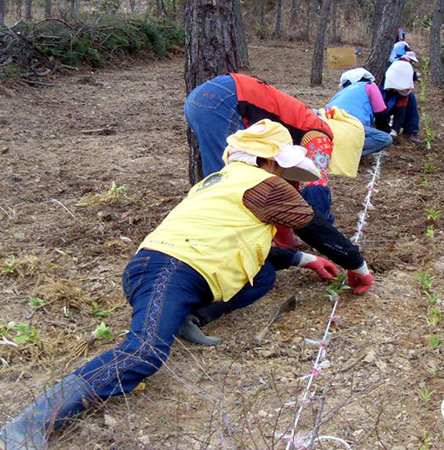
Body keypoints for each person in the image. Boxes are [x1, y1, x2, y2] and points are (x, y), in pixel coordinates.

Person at [0, 120, 373, 450]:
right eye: (289, 173)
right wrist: (357, 266)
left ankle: (186, 316)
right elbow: (317, 228)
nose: (294, 184)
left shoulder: (221, 181)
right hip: (172, 269)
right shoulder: (265, 185)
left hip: (170, 267)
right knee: (143, 353)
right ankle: (29, 428)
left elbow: (244, 246)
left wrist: (305, 259)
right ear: (269, 161)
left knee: (263, 276)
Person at [184, 73, 335, 225]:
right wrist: (321, 226)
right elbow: (317, 188)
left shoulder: (300, 125)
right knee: (231, 181)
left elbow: (283, 185)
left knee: (220, 177)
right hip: (227, 99)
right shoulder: (320, 135)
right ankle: (219, 228)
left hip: (203, 97)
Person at [325, 68, 393, 157]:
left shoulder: (339, 94)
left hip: (329, 125)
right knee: (385, 139)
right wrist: (385, 130)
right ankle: (347, 153)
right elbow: (381, 112)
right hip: (351, 124)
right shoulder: (369, 85)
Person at [376, 52, 423, 147]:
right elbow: (379, 109)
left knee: (411, 98)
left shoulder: (404, 87)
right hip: (380, 108)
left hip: (390, 105)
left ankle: (410, 131)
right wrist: (385, 129)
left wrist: (395, 131)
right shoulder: (379, 85)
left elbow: (401, 110)